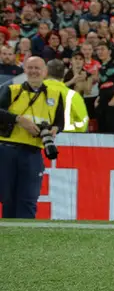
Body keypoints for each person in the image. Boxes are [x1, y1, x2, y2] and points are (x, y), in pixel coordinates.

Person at [0, 56, 64, 218]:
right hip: (8, 150)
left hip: (33, 152)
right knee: (7, 197)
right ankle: (10, 236)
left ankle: (26, 236)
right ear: (25, 70)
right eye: (30, 68)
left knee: (29, 198)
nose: (34, 71)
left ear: (45, 72)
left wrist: (54, 129)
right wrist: (18, 120)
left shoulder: (55, 95)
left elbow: (59, 122)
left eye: (37, 68)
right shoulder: (12, 90)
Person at [45, 59, 89, 132]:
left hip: (39, 138)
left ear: (45, 72)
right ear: (64, 74)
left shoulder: (35, 91)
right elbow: (83, 123)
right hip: (68, 138)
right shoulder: (73, 95)